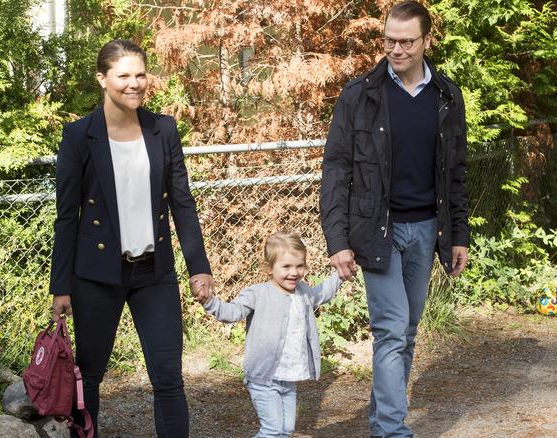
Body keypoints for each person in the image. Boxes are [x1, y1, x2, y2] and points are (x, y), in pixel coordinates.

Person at [49, 39, 214, 438]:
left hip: (154, 275)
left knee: (169, 379)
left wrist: (199, 268)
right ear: (102, 79)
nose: (134, 83)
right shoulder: (78, 136)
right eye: (123, 75)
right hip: (95, 276)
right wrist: (61, 287)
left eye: (140, 74)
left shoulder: (163, 129)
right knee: (88, 378)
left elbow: (182, 204)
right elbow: (66, 217)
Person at [319, 1, 470, 436]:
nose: (396, 49)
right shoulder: (359, 96)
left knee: (408, 330)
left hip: (427, 230)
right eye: (389, 40)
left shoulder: (447, 96)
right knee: (391, 331)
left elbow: (455, 172)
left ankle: (381, 422)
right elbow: (336, 171)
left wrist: (458, 234)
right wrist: (338, 239)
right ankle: (392, 430)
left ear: (427, 40)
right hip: (376, 232)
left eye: (406, 41)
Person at [195, 231, 343, 438]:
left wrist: (340, 275)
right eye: (286, 267)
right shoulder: (258, 293)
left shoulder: (303, 293)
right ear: (269, 267)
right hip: (264, 377)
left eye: (299, 266)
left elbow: (322, 294)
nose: (294, 272)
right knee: (272, 430)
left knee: (286, 430)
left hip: (288, 377)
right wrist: (209, 302)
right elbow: (232, 312)